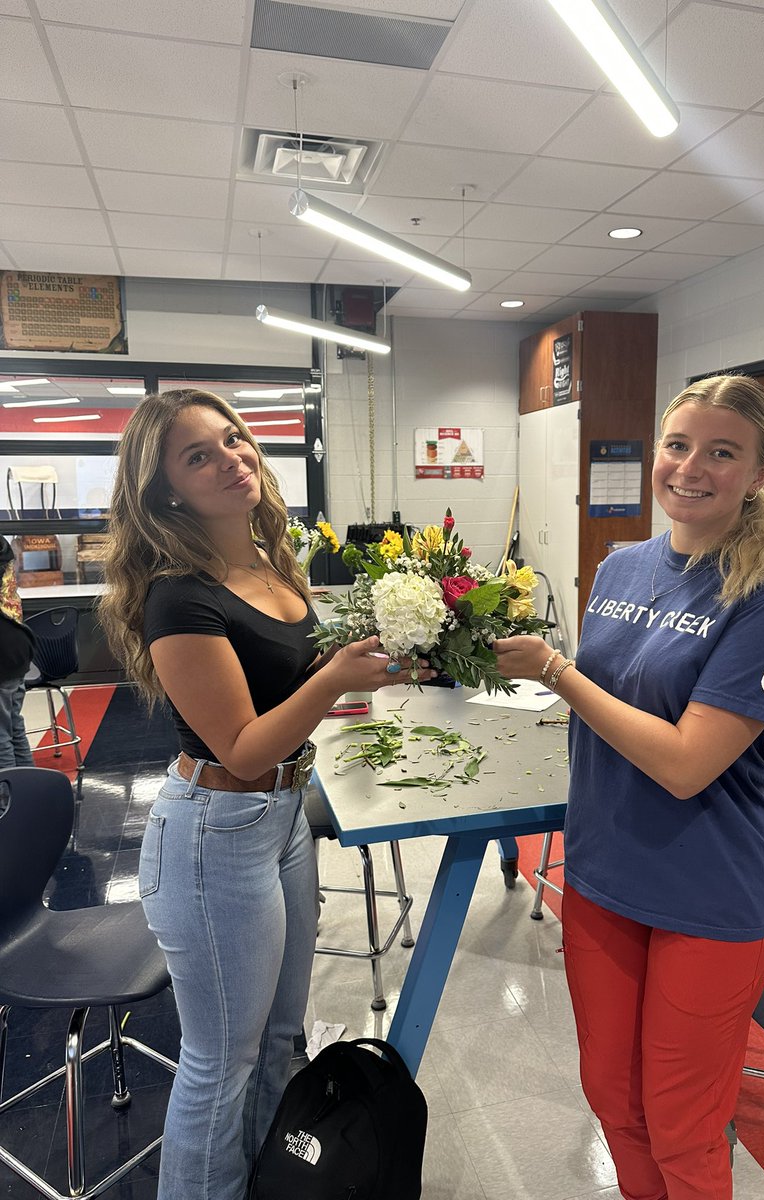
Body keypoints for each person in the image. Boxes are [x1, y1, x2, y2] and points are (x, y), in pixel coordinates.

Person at [98, 388, 434, 1200]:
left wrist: (378, 663)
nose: (230, 459)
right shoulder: (180, 594)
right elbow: (242, 745)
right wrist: (335, 679)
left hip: (280, 814)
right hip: (214, 829)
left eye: (232, 439)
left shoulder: (269, 563)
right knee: (221, 1061)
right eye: (198, 456)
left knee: (278, 1039)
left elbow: (292, 686)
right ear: (166, 490)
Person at [494, 375, 764, 1200]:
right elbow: (613, 707)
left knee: (683, 1122)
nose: (691, 467)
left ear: (760, 472)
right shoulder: (621, 566)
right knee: (613, 1095)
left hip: (705, 888)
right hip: (605, 871)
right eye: (678, 445)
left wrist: (555, 672)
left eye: (722, 452)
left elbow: (685, 763)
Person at [0, 535, 35, 769]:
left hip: (3, 652)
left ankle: (8, 791)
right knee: (14, 727)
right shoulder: (3, 548)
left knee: (1, 737)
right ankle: (27, 785)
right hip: (17, 644)